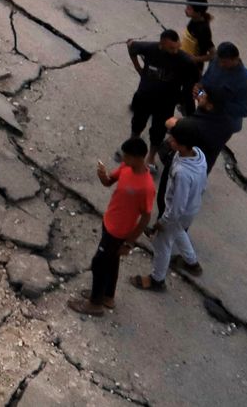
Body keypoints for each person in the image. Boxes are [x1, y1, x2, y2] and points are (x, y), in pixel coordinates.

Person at [70, 136, 156, 318]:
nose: (123, 159)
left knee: (99, 263)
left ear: (139, 157)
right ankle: (107, 296)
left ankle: (95, 304)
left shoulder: (146, 187)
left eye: (127, 156)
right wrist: (103, 176)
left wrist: (130, 243)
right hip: (109, 222)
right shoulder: (126, 167)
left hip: (119, 232)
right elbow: (109, 181)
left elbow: (146, 217)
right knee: (111, 262)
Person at [134, 121, 209, 293]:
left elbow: (177, 206)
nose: (169, 141)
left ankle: (157, 279)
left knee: (162, 244)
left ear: (183, 145)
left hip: (177, 212)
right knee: (178, 232)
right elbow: (203, 185)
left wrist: (163, 221)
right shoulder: (198, 155)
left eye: (174, 140)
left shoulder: (183, 173)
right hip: (191, 208)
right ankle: (192, 263)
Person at [181, 42, 247, 171]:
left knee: (207, 153)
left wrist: (215, 105)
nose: (221, 65)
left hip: (223, 123)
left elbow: (246, 110)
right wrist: (199, 89)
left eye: (225, 62)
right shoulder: (216, 61)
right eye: (220, 61)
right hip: (203, 112)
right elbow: (206, 80)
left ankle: (199, 178)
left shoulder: (246, 81)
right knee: (190, 139)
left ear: (235, 59)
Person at [126, 28, 198, 160]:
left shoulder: (185, 60)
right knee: (137, 124)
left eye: (177, 47)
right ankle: (132, 147)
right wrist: (138, 68)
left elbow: (196, 81)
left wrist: (190, 97)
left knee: (158, 132)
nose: (175, 51)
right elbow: (131, 45)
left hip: (166, 104)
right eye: (171, 48)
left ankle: (151, 157)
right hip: (145, 97)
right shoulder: (150, 48)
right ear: (162, 44)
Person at [180, 0, 216, 64]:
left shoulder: (203, 30)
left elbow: (213, 54)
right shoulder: (194, 20)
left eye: (189, 8)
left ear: (198, 12)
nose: (185, 10)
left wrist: (195, 59)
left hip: (192, 67)